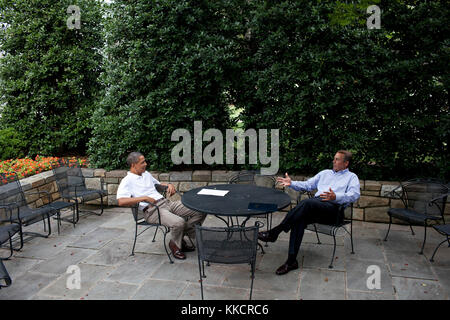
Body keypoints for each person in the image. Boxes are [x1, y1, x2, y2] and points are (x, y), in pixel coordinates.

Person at [259, 150, 360, 275]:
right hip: (316, 207)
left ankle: (275, 232)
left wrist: (336, 197)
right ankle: (291, 261)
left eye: (337, 159)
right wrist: (291, 183)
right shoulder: (325, 173)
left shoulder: (351, 177)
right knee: (299, 219)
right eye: (334, 158)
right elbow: (307, 185)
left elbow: (354, 195)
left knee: (307, 203)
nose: (334, 161)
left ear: (346, 163)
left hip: (333, 210)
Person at [116, 152, 206, 260]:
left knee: (201, 209)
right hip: (153, 211)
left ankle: (178, 237)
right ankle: (175, 245)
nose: (146, 164)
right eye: (142, 162)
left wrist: (169, 185)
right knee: (179, 223)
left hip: (167, 203)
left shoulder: (146, 174)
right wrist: (143, 198)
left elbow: (158, 185)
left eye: (145, 161)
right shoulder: (127, 181)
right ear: (133, 165)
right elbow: (121, 201)